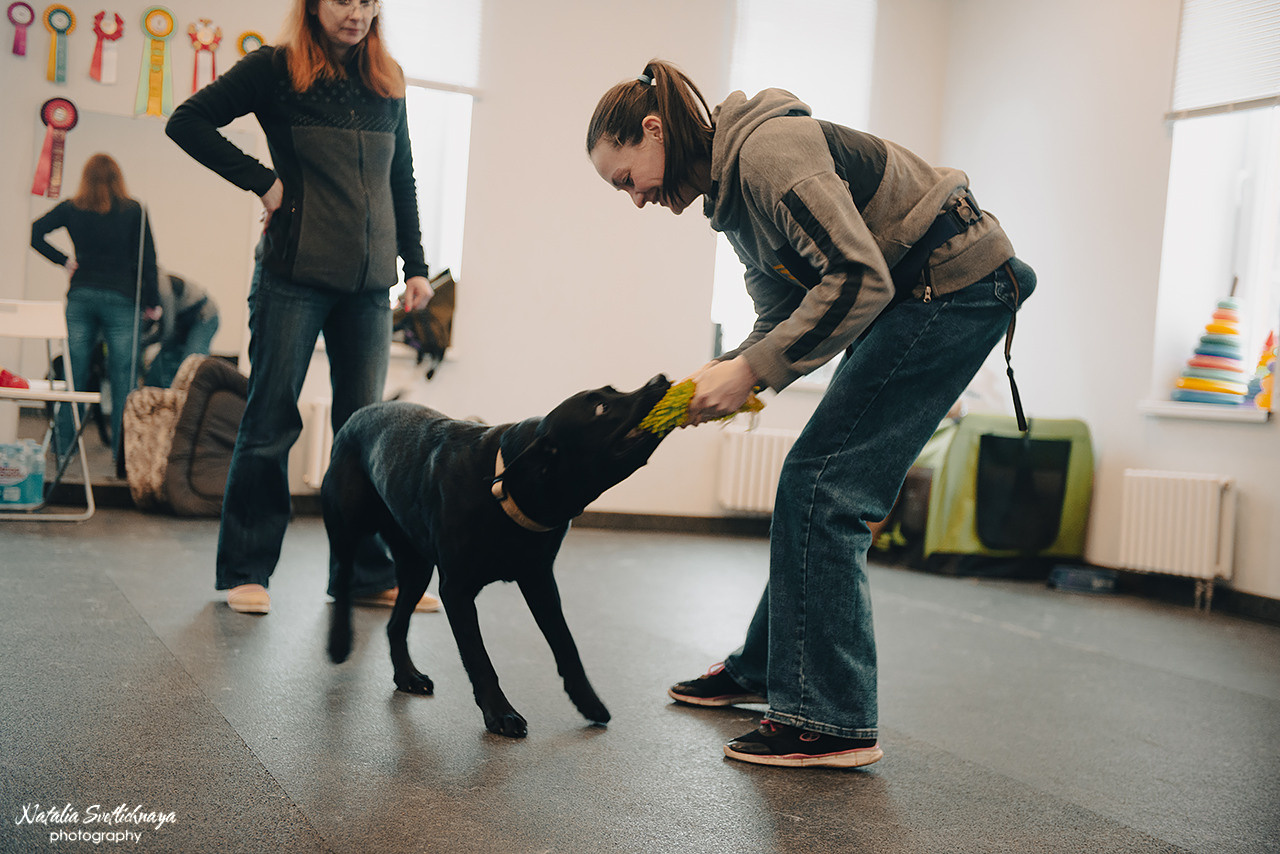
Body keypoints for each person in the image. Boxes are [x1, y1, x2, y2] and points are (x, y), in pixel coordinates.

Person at [587, 60, 1036, 769]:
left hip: (956, 280)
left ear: (653, 130)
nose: (635, 198)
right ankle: (768, 668)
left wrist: (752, 372)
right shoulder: (732, 204)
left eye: (625, 179)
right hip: (911, 293)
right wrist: (712, 384)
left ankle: (832, 721)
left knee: (824, 486)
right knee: (815, 480)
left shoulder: (769, 156)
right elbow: (782, 316)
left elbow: (858, 277)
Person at [165, 0, 440, 616]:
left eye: (369, 1)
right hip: (293, 276)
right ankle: (245, 570)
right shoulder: (274, 69)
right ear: (314, 5)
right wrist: (263, 181)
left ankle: (365, 575)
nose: (358, 13)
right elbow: (187, 121)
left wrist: (415, 265)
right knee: (269, 422)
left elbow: (403, 178)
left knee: (362, 433)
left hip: (368, 287)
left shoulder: (387, 79)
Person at [30, 153, 159, 466]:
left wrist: (64, 262)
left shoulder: (73, 208)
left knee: (73, 375)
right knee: (123, 381)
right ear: (118, 177)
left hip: (82, 296)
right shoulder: (134, 210)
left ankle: (63, 451)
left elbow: (36, 232)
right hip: (122, 300)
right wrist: (152, 302)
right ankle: (122, 458)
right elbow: (147, 260)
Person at [142, 271, 220, 389]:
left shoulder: (163, 288)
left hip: (204, 317)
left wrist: (144, 341)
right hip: (182, 320)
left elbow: (167, 330)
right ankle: (155, 397)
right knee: (159, 367)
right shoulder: (145, 287)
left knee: (191, 365)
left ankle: (190, 402)